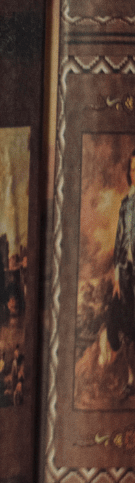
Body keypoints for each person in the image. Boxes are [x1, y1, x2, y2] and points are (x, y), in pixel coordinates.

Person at [108, 149, 135, 395]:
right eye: (134, 170)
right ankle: (131, 378)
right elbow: (119, 242)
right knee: (128, 328)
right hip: (127, 274)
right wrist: (117, 276)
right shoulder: (125, 204)